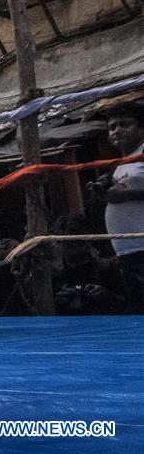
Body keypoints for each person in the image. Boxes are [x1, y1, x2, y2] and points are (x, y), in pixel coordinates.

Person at [101, 102, 144, 312]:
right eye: (112, 127)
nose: (117, 131)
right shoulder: (125, 162)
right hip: (129, 251)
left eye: (125, 124)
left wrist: (128, 194)